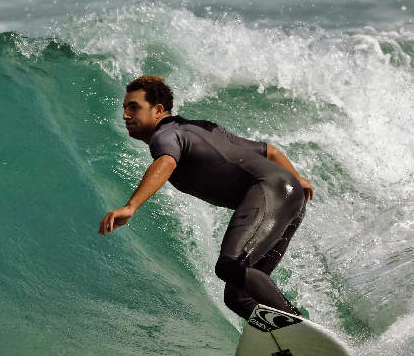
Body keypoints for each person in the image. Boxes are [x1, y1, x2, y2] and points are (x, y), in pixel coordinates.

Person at [98, 74, 314, 321]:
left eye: (133, 107)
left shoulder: (165, 135)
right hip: (290, 198)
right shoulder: (202, 128)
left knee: (231, 264)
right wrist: (297, 178)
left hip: (270, 191)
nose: (125, 115)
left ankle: (299, 324)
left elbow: (167, 161)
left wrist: (131, 207)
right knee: (238, 297)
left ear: (158, 110)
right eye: (125, 108)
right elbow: (270, 151)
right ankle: (286, 335)